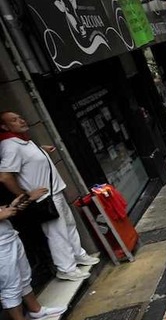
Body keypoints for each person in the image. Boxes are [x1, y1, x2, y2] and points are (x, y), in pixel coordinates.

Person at [0, 111, 99, 281]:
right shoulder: (10, 145)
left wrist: (41, 151)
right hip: (44, 197)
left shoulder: (23, 140)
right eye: (14, 120)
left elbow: (27, 160)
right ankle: (66, 268)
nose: (21, 120)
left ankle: (78, 254)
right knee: (56, 232)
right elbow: (5, 176)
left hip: (55, 191)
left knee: (68, 225)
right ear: (4, 126)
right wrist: (25, 195)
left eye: (20, 117)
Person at [1, 194, 65, 320]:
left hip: (9, 236)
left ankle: (36, 310)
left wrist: (11, 207)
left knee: (24, 276)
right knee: (10, 286)